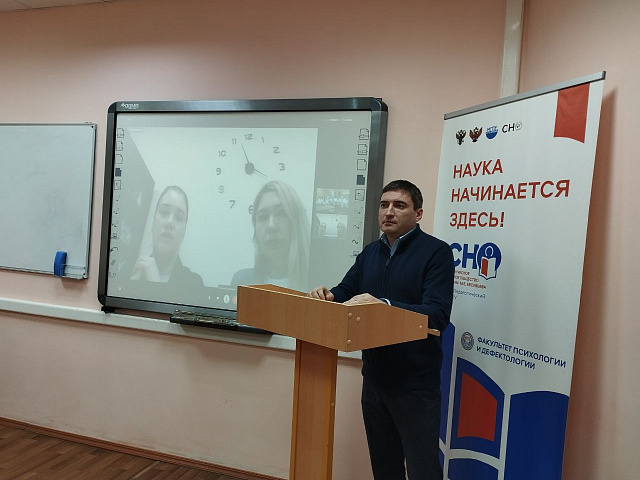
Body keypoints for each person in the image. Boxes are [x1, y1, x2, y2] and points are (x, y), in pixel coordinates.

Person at [310, 180, 454, 480]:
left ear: (418, 213)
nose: (389, 212)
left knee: (423, 470)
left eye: (399, 205)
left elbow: (437, 315)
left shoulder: (436, 253)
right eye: (384, 205)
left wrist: (383, 305)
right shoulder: (370, 252)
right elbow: (347, 289)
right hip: (374, 380)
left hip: (414, 385)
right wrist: (329, 295)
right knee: (385, 468)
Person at [232, 181, 310, 291]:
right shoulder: (241, 281)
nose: (271, 226)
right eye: (263, 217)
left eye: (281, 213)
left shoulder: (319, 285)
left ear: (297, 222)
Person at [130, 185, 203, 288]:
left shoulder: (195, 284)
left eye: (178, 217)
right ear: (153, 222)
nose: (170, 222)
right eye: (164, 212)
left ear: (183, 233)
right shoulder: (129, 271)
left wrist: (156, 286)